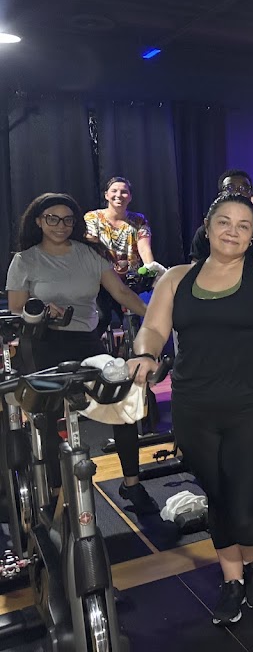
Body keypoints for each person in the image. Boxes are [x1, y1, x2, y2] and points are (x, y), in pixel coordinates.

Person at [127, 194, 253, 626]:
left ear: (252, 236)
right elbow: (153, 327)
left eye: (243, 225)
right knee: (217, 497)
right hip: (193, 406)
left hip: (251, 404)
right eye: (224, 222)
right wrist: (145, 354)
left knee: (244, 503)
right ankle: (233, 579)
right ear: (208, 227)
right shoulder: (176, 278)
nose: (233, 231)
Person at [6, 193, 158, 513]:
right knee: (46, 419)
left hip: (86, 341)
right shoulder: (25, 260)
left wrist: (156, 318)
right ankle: (54, 492)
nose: (60, 225)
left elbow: (121, 292)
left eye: (67, 219)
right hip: (42, 342)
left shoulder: (89, 254)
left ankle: (132, 484)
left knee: (123, 401)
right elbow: (17, 308)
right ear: (39, 221)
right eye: (52, 218)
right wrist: (42, 309)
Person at [85, 176, 163, 335]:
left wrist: (151, 268)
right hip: (101, 280)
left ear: (130, 197)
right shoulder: (93, 218)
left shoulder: (139, 220)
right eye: (114, 191)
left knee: (136, 322)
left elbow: (144, 248)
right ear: (106, 195)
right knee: (102, 318)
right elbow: (93, 246)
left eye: (124, 192)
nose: (119, 195)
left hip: (130, 281)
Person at [189, 170, 253, 266]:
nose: (238, 193)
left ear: (250, 194)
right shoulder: (205, 232)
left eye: (244, 189)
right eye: (230, 188)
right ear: (220, 194)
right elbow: (196, 271)